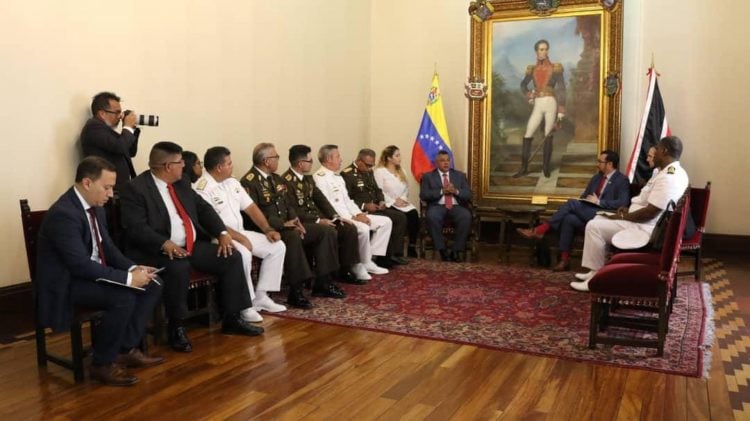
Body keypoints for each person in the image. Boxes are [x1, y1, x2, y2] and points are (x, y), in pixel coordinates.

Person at [120, 141, 263, 354]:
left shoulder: (181, 183)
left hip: (190, 246)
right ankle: (176, 328)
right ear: (168, 166)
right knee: (178, 269)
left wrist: (222, 233)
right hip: (157, 250)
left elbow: (204, 209)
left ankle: (232, 318)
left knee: (231, 257)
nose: (184, 167)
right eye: (180, 163)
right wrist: (163, 243)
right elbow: (135, 227)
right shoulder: (136, 189)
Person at [36, 157, 164, 386]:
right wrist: (128, 279)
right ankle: (102, 363)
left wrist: (134, 269)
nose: (111, 193)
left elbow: (108, 249)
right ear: (87, 182)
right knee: (124, 297)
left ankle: (124, 348)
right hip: (67, 283)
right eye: (107, 187)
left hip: (92, 274)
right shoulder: (64, 213)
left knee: (152, 285)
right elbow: (79, 266)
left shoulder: (96, 208)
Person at [571, 136, 689, 292]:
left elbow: (650, 213)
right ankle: (595, 271)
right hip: (640, 221)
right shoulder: (666, 172)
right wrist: (628, 211)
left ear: (665, 151)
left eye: (658, 150)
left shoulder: (669, 177)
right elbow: (647, 203)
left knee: (594, 226)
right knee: (598, 218)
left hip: (644, 229)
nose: (655, 153)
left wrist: (622, 217)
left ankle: (596, 279)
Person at [240, 143, 345, 305]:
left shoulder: (277, 179)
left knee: (326, 231)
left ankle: (323, 282)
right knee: (293, 237)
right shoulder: (249, 182)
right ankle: (295, 291)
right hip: (267, 229)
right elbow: (255, 214)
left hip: (288, 224)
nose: (278, 161)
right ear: (267, 161)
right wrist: (283, 224)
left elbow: (288, 205)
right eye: (276, 157)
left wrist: (296, 220)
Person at [194, 146, 290, 317]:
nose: (233, 166)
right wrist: (240, 239)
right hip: (219, 237)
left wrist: (267, 229)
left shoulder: (232, 182)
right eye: (229, 163)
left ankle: (261, 296)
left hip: (240, 232)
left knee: (277, 246)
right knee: (244, 254)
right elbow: (214, 222)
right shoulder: (202, 188)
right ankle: (245, 305)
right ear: (219, 167)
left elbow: (251, 208)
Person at [517, 150, 630, 271]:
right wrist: (586, 200)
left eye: (600, 162)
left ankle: (541, 229)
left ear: (610, 164)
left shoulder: (621, 180)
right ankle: (564, 260)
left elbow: (623, 203)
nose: (597, 164)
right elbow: (584, 196)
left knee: (571, 203)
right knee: (569, 219)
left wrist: (598, 202)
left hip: (605, 216)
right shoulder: (597, 178)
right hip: (589, 212)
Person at [282, 145, 367, 284]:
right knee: (328, 232)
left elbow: (322, 200)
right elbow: (294, 210)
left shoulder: (308, 179)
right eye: (310, 161)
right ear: (300, 163)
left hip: (316, 218)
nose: (312, 163)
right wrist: (317, 220)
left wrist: (335, 216)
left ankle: (345, 270)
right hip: (303, 222)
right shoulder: (286, 181)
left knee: (347, 227)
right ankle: (325, 279)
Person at [314, 145, 392, 277]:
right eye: (338, 156)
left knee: (385, 222)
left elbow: (348, 201)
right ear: (328, 159)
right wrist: (353, 218)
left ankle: (368, 258)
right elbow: (329, 205)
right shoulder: (319, 177)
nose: (341, 159)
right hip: (340, 217)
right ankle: (358, 263)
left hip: (352, 214)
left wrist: (359, 213)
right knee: (363, 228)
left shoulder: (337, 177)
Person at [341, 148, 408, 267]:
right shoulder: (347, 174)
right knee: (391, 219)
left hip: (376, 206)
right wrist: (364, 205)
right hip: (361, 210)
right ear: (359, 161)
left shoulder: (369, 171)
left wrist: (382, 200)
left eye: (372, 165)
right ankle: (377, 258)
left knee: (400, 217)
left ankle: (393, 254)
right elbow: (346, 199)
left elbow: (377, 189)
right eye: (367, 165)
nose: (370, 168)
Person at [514, 39, 566, 178]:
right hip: (538, 104)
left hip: (551, 103)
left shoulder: (556, 68)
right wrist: (529, 94)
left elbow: (562, 89)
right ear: (536, 51)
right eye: (541, 49)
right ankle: (524, 168)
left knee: (548, 135)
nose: (544, 51)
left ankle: (545, 168)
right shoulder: (532, 69)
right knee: (528, 133)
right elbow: (523, 85)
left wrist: (561, 110)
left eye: (546, 49)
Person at [80, 92, 140, 192]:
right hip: (105, 190)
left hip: (118, 189)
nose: (120, 117)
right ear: (102, 113)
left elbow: (130, 152)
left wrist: (132, 128)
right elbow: (120, 147)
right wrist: (127, 127)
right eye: (116, 112)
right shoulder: (93, 128)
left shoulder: (106, 131)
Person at [419, 150, 472, 262]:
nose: (446, 163)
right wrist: (442, 191)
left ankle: (456, 251)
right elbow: (423, 195)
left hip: (456, 206)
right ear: (436, 163)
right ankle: (442, 250)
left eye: (448, 160)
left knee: (466, 216)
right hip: (437, 206)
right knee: (432, 216)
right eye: (442, 161)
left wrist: (456, 191)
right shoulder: (428, 177)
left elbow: (468, 194)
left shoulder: (459, 175)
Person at [373, 145, 420, 258]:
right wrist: (393, 201)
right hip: (388, 203)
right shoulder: (380, 172)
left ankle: (411, 246)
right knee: (400, 217)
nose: (400, 158)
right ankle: (395, 250)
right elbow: (379, 191)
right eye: (397, 155)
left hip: (402, 202)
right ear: (389, 158)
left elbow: (406, 188)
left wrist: (402, 199)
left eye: (399, 155)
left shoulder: (401, 171)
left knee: (413, 214)